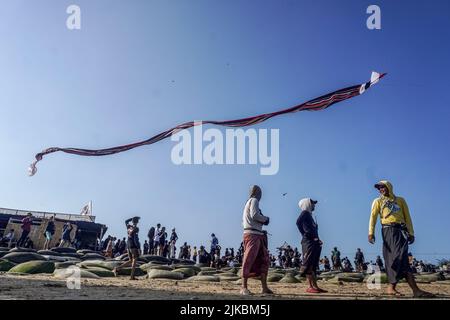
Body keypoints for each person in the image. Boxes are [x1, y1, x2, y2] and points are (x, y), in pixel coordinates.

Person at [369, 180, 434, 297]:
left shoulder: (400, 200)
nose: (381, 190)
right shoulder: (378, 201)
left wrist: (411, 232)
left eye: (383, 187)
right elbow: (373, 217)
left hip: (401, 232)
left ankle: (413, 290)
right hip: (388, 231)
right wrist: (371, 233)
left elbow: (407, 217)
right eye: (379, 188)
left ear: (389, 187)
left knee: (403, 258)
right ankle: (396, 287)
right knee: (395, 258)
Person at [240, 185, 272, 295]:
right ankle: (243, 287)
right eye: (260, 193)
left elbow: (244, 222)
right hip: (252, 235)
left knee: (263, 260)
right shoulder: (254, 201)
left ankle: (264, 288)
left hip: (255, 233)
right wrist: (265, 219)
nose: (261, 195)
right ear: (256, 193)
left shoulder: (247, 204)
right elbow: (255, 215)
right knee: (249, 259)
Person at [297, 198, 327, 294]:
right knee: (308, 264)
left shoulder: (310, 215)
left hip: (314, 242)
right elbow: (298, 222)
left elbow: (312, 231)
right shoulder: (305, 213)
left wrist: (318, 239)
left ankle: (315, 286)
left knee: (313, 266)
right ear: (307, 204)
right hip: (308, 242)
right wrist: (304, 234)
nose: (314, 205)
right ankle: (310, 287)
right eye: (312, 203)